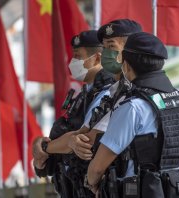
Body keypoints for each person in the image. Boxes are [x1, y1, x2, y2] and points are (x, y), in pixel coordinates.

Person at [85, 32, 179, 198]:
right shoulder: (178, 99)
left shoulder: (133, 107)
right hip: (177, 189)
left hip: (141, 191)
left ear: (127, 66)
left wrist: (91, 183)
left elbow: (97, 168)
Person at [33, 30, 115, 197]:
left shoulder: (108, 94)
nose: (73, 62)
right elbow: (65, 134)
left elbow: (81, 139)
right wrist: (40, 146)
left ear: (97, 58)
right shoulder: (83, 95)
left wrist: (45, 148)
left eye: (78, 56)